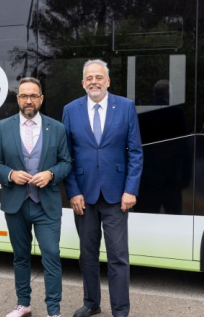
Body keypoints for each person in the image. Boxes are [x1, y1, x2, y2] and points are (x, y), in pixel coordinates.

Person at [62, 60, 143, 317]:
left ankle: (120, 310)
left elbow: (136, 152)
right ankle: (91, 303)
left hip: (116, 196)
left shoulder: (126, 107)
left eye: (99, 77)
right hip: (83, 196)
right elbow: (66, 155)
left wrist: (131, 189)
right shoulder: (70, 110)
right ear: (83, 83)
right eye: (89, 78)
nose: (94, 81)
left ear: (108, 81)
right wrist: (73, 191)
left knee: (118, 256)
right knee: (87, 255)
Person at [0, 77, 72, 317]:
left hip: (46, 205)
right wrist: (11, 174)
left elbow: (67, 162)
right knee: (20, 257)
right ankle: (23, 304)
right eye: (24, 96)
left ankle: (53, 311)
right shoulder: (4, 127)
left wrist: (51, 173)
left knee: (52, 256)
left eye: (33, 96)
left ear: (41, 99)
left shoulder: (56, 128)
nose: (28, 100)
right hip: (16, 204)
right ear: (17, 99)